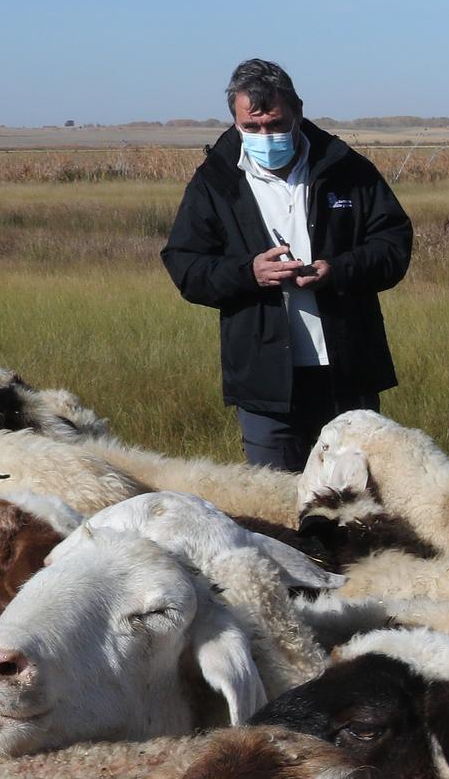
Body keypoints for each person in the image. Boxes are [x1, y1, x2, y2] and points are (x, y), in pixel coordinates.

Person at [161, 59, 412, 472]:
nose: (265, 136)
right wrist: (249, 273)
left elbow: (393, 245)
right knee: (276, 504)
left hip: (348, 371)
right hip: (265, 382)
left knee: (357, 505)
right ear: (236, 121)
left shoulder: (347, 169)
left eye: (275, 125)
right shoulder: (216, 181)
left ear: (297, 110)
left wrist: (338, 270)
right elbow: (185, 266)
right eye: (252, 127)